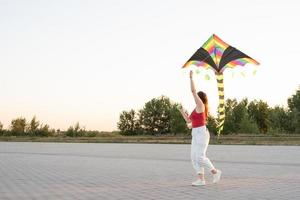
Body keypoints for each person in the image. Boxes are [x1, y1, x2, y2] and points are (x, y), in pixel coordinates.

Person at [178, 70, 221, 186]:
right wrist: (181, 110)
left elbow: (193, 91)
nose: (195, 98)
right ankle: (201, 179)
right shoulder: (196, 109)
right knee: (193, 157)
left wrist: (191, 77)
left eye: (197, 97)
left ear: (200, 98)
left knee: (200, 157)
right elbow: (188, 121)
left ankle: (215, 172)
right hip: (195, 133)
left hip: (201, 133)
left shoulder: (201, 106)